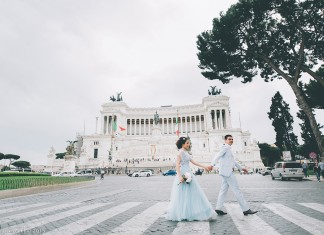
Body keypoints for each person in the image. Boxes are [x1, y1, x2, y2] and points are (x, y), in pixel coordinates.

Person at [166, 137, 216, 221]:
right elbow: (177, 164)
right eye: (187, 143)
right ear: (183, 144)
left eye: (189, 143)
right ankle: (184, 213)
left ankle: (189, 212)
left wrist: (205, 166)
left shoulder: (186, 152)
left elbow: (194, 162)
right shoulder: (180, 153)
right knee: (183, 194)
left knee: (191, 193)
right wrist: (179, 176)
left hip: (188, 173)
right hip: (183, 173)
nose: (189, 145)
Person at [207, 135, 258, 216]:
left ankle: (218, 208)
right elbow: (218, 156)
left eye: (232, 139)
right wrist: (212, 164)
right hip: (227, 173)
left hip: (225, 172)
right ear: (225, 140)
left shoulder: (229, 149)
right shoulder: (225, 148)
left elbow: (233, 161)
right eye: (229, 139)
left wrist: (241, 168)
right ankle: (246, 209)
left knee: (223, 191)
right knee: (237, 190)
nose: (231, 140)